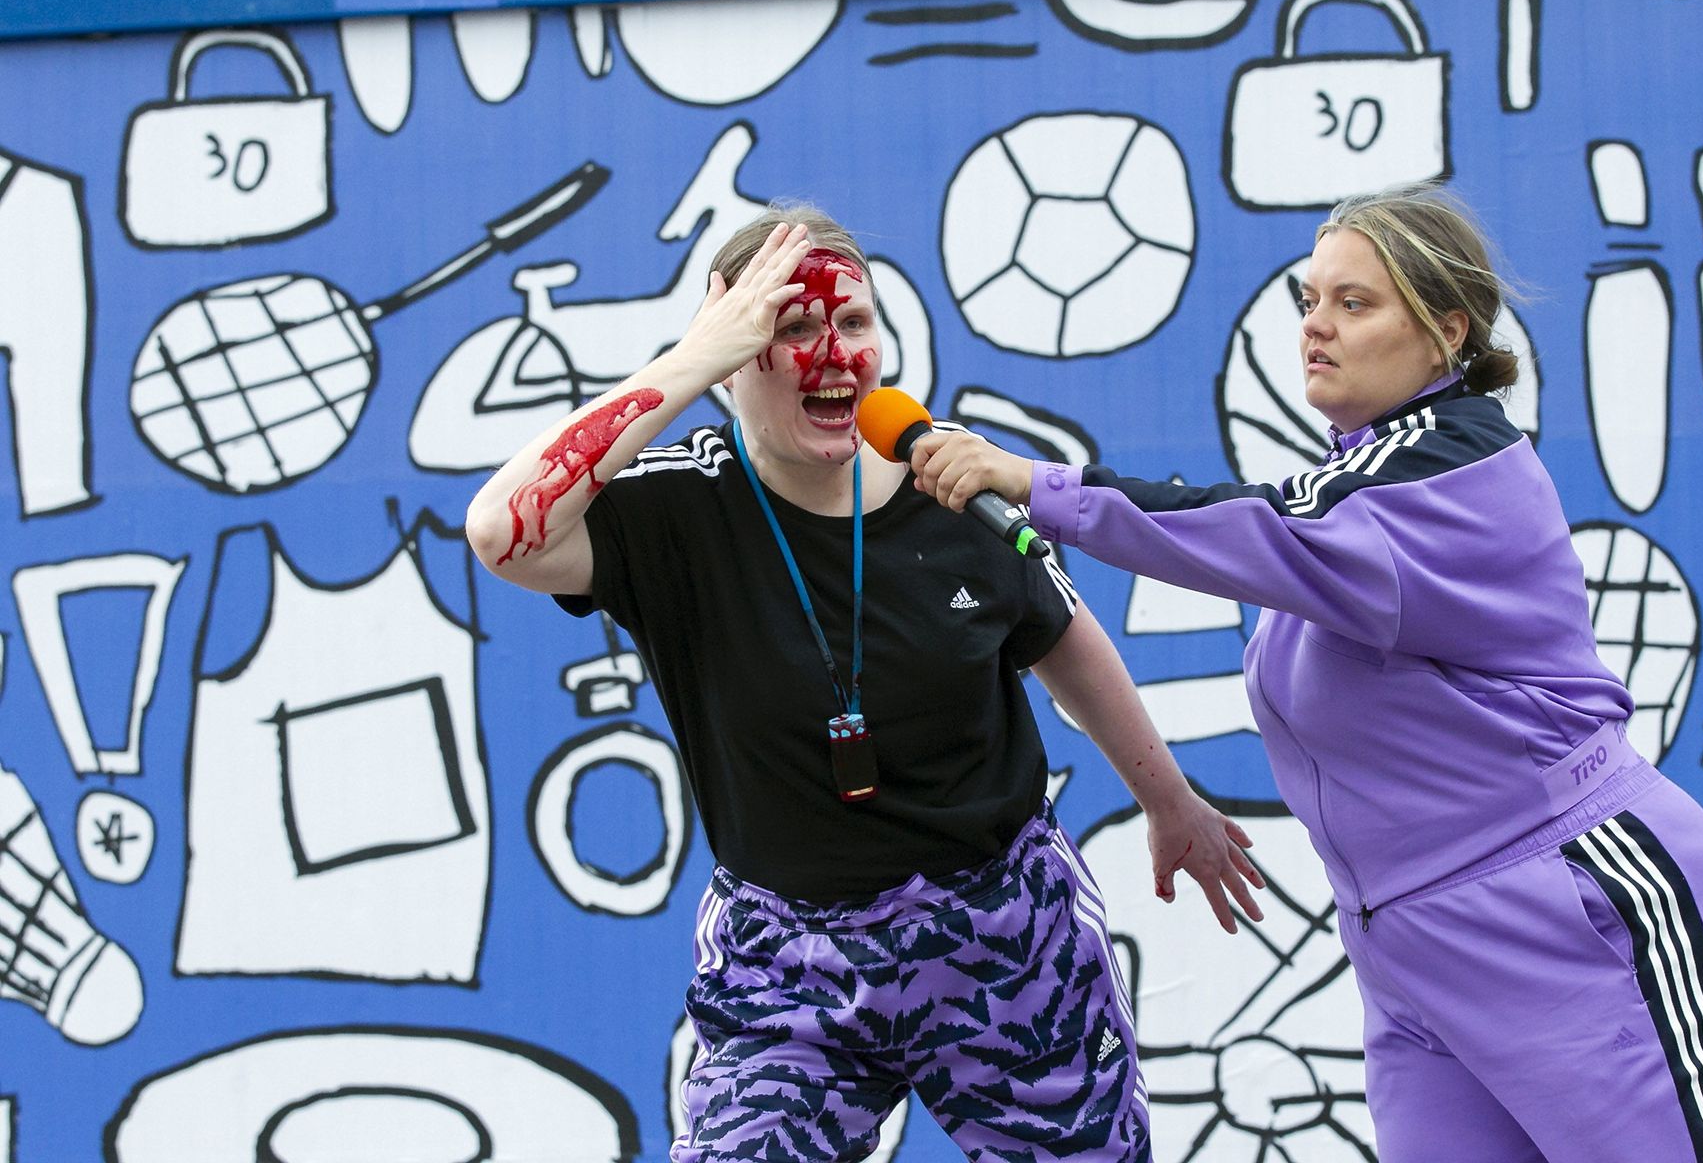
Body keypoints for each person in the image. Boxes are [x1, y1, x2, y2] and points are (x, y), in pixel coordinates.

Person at [909, 184, 1703, 1163]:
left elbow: (1256, 527)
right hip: (1410, 948)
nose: (1316, 325)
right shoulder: (1360, 480)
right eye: (1310, 300)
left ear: (1447, 332)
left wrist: (1036, 482)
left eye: (1354, 303)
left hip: (1569, 908)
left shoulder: (1450, 464)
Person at [466, 204, 1265, 1162]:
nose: (834, 353)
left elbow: (1063, 635)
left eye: (852, 322)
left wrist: (1169, 801)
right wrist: (693, 358)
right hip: (787, 964)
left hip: (1003, 933)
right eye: (791, 327)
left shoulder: (947, 474)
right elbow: (501, 532)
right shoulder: (674, 507)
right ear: (732, 356)